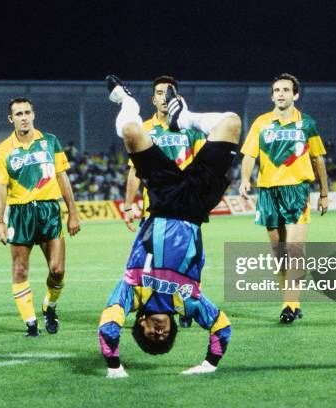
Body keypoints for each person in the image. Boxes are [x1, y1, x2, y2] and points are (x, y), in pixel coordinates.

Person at [99, 75, 240, 378]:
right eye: (165, 337)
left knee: (131, 129)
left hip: (161, 202)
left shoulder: (133, 294)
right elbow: (222, 328)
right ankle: (186, 117)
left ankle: (127, 100)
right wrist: (208, 365)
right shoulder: (187, 303)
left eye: (151, 335)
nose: (160, 333)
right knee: (231, 122)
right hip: (194, 205)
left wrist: (114, 367)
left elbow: (107, 326)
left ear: (139, 324)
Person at [239, 73, 329, 324]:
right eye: (276, 90)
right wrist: (245, 179)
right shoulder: (261, 123)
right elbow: (248, 155)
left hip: (297, 191)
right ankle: (292, 301)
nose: (280, 93)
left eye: (286, 90)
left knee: (294, 249)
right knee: (279, 252)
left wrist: (323, 193)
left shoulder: (307, 124)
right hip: (268, 192)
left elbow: (317, 158)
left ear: (295, 95)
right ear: (272, 95)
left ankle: (289, 304)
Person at [123, 75, 206, 329]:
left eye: (169, 93)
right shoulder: (145, 130)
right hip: (156, 207)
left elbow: (204, 164)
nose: (164, 98)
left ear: (177, 99)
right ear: (153, 99)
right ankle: (160, 306)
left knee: (190, 259)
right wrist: (128, 205)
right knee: (154, 261)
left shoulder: (190, 129)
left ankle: (188, 304)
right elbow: (135, 170)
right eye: (160, 93)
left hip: (186, 205)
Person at [0, 97, 80, 337]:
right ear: (11, 119)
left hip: (49, 211)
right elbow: (0, 187)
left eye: (27, 112)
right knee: (20, 270)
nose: (23, 117)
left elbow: (62, 177)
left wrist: (72, 211)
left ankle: (49, 307)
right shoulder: (3, 150)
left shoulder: (50, 142)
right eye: (18, 114)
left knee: (58, 270)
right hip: (20, 213)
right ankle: (30, 322)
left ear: (34, 115)